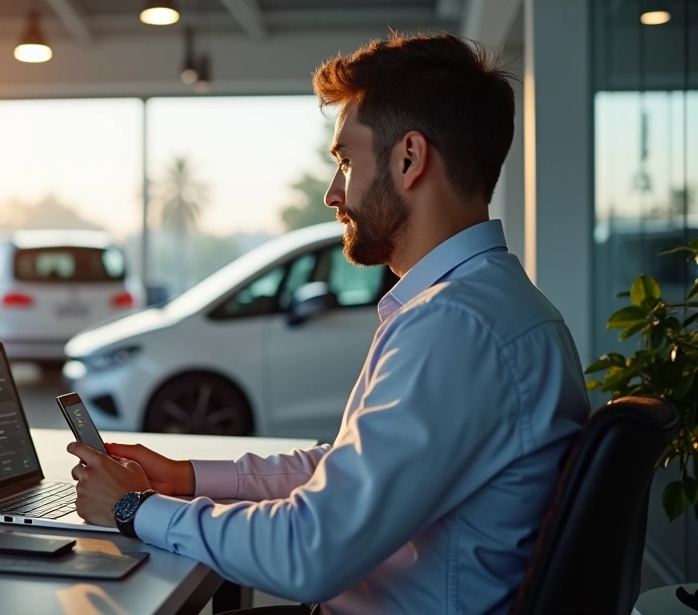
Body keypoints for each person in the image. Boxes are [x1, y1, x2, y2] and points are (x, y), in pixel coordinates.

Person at [68, 31, 590, 614]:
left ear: (410, 158)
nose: (332, 193)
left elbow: (308, 552)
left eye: (345, 160)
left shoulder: (456, 328)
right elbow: (348, 469)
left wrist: (132, 510)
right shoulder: (485, 306)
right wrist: (187, 478)